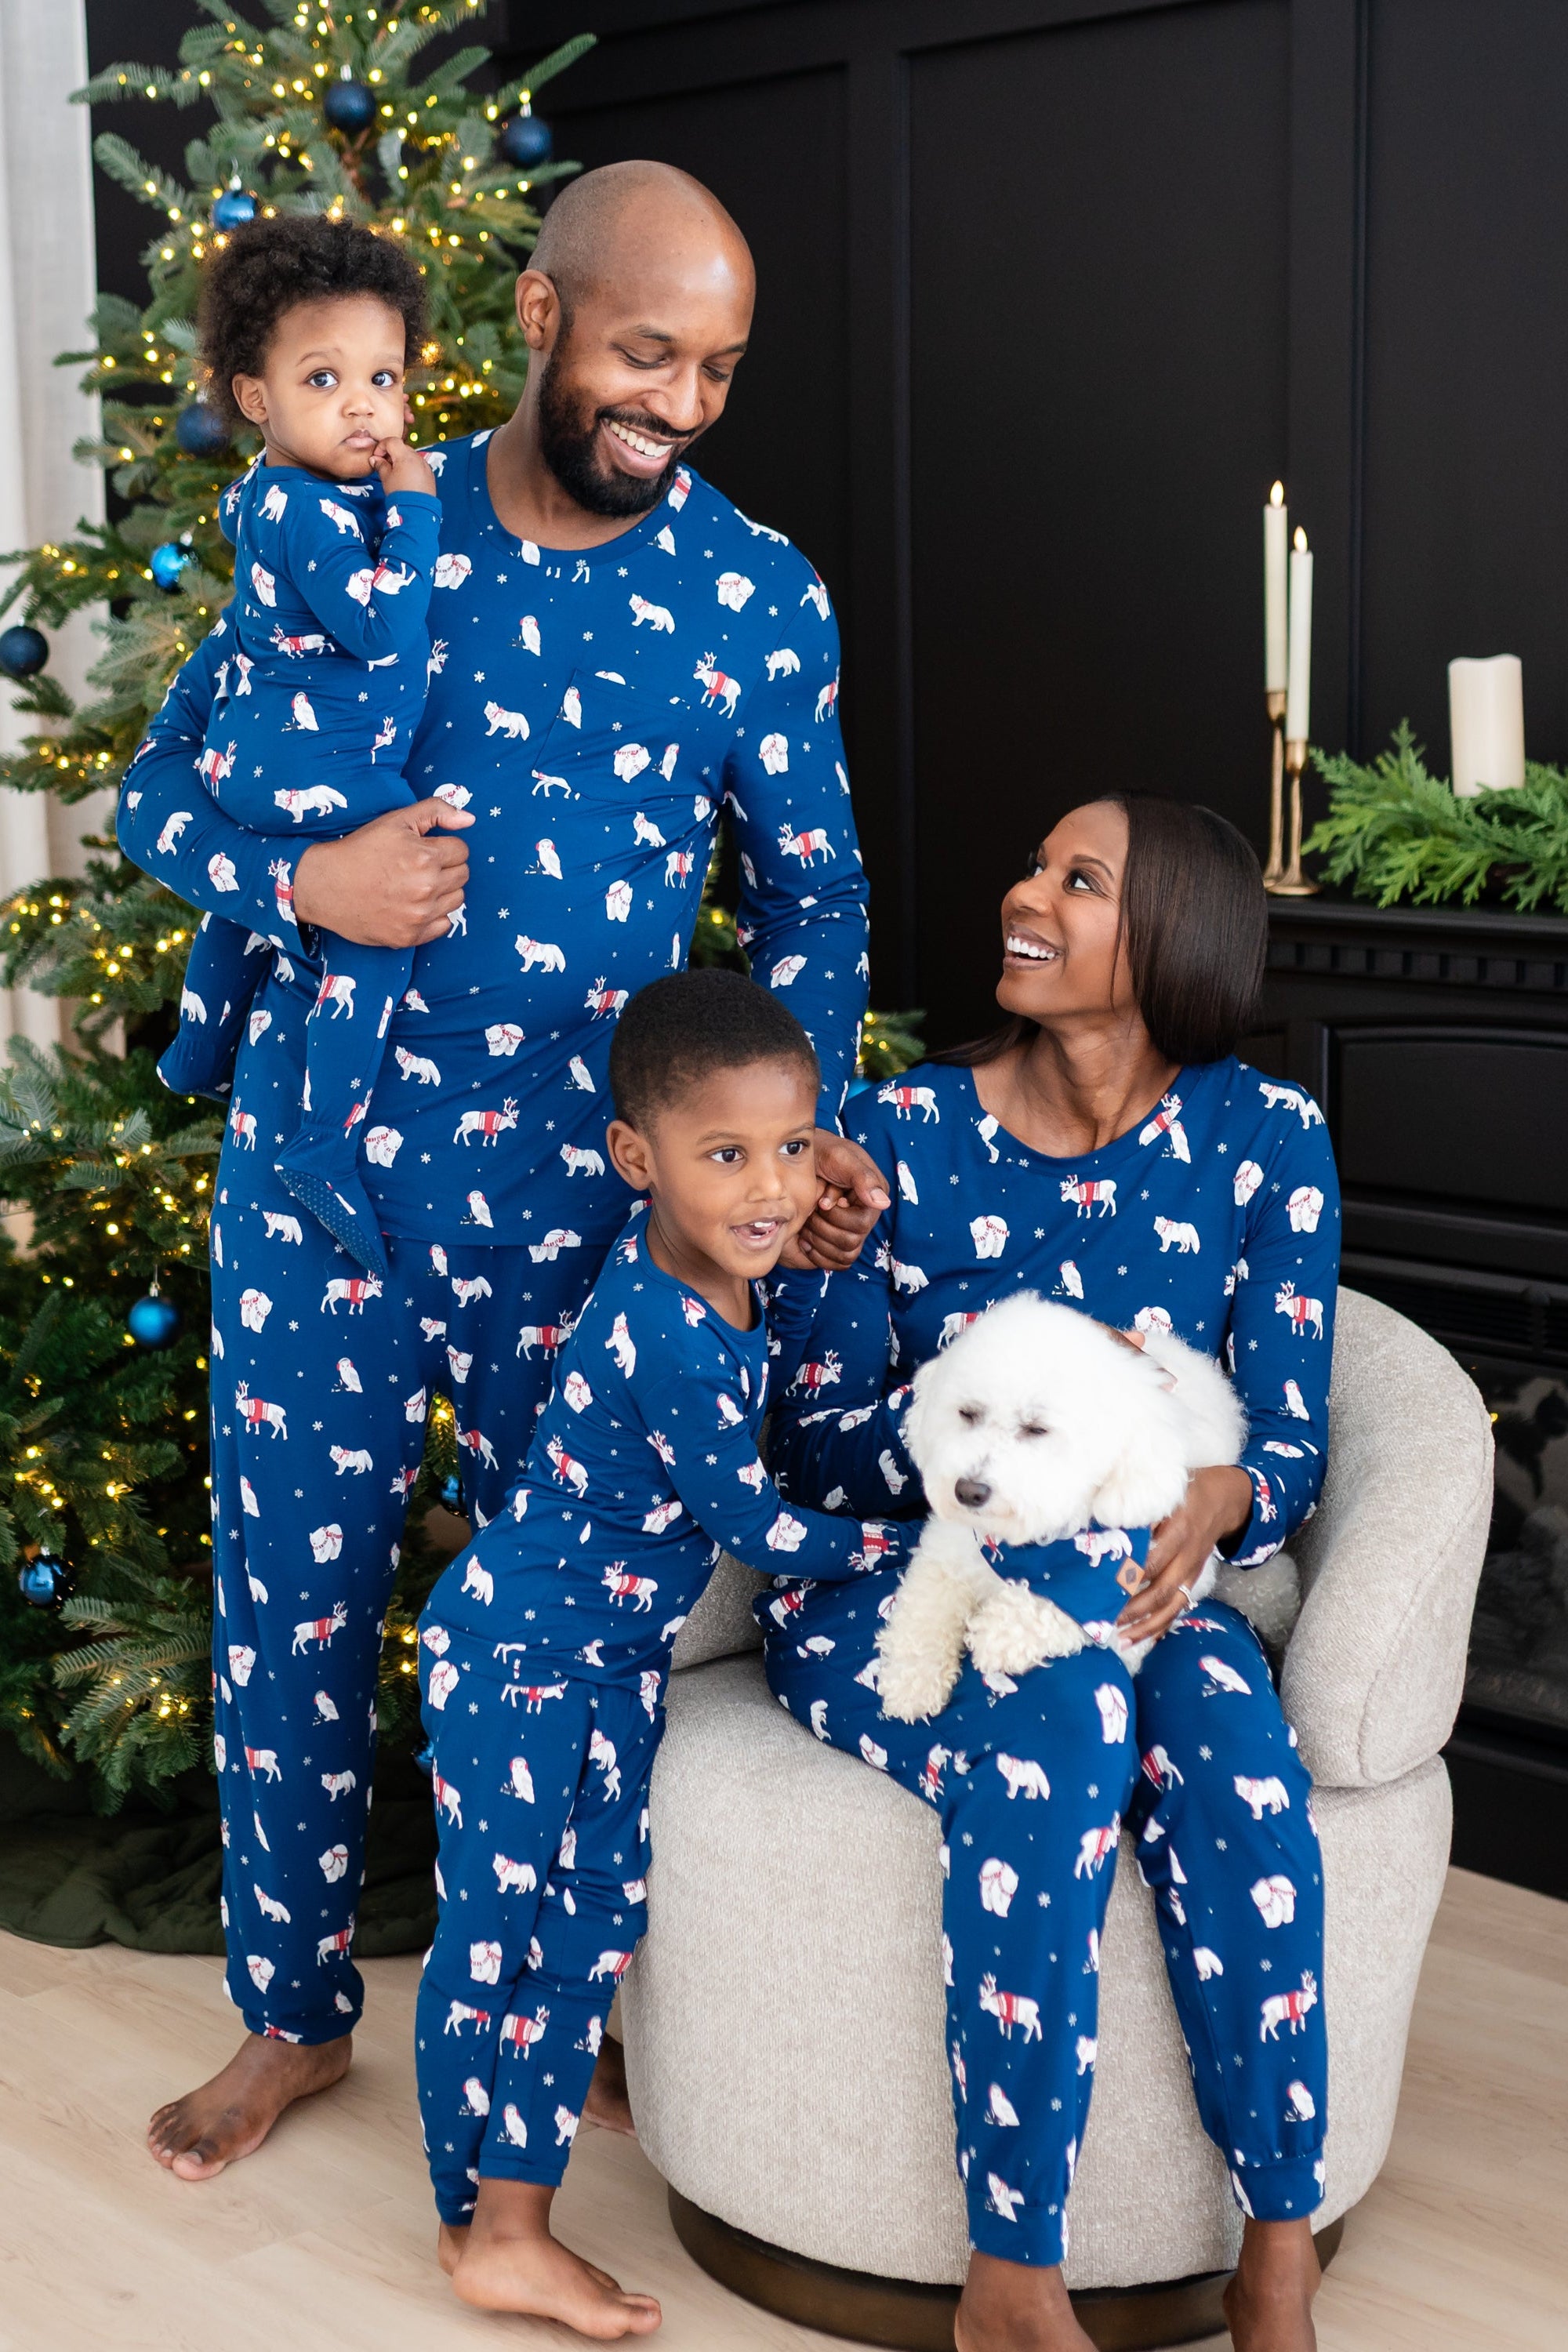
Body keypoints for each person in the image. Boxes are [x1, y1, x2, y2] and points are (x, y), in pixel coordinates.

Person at [125, 160, 889, 2183]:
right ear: (543, 319)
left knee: (566, 1640)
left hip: (584, 1239)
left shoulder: (753, 591)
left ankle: (567, 2005)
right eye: (652, 352)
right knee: (288, 1612)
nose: (687, 402)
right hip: (324, 1194)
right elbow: (166, 790)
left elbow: (817, 905)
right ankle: (290, 2019)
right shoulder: (358, 527)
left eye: (721, 367)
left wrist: (796, 1144)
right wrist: (303, 876)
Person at [763, 795, 1339, 2352]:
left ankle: (1275, 2243)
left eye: (1076, 880)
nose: (1023, 893)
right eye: (1034, 864)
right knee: (1059, 1718)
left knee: (1232, 1760)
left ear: (1171, 938)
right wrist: (831, 1286)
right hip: (906, 1592)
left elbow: (1284, 1448)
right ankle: (1011, 2275)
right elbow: (818, 1458)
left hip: (1154, 1596)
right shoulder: (890, 1136)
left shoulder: (1264, 1139)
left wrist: (1217, 1494)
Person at [416, 970, 909, 2336]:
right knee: (498, 1932)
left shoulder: (710, 1265)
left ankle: (524, 2156)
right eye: (728, 1154)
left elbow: (778, 1333)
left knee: (591, 1919)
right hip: (522, 1655)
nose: (771, 1186)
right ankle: (483, 2226)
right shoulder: (665, 1332)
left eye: (795, 1145)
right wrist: (911, 1550)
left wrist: (816, 1253)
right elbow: (750, 1516)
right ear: (638, 1159)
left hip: (609, 1661)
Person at [159, 213, 443, 1270]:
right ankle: (323, 1140)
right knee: (382, 913)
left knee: (248, 920)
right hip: (318, 769)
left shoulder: (278, 500)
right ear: (255, 398)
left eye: (385, 376)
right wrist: (413, 513)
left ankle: (195, 1047)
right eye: (324, 380)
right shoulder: (313, 511)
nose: (367, 405)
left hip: (260, 759)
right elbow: (376, 625)